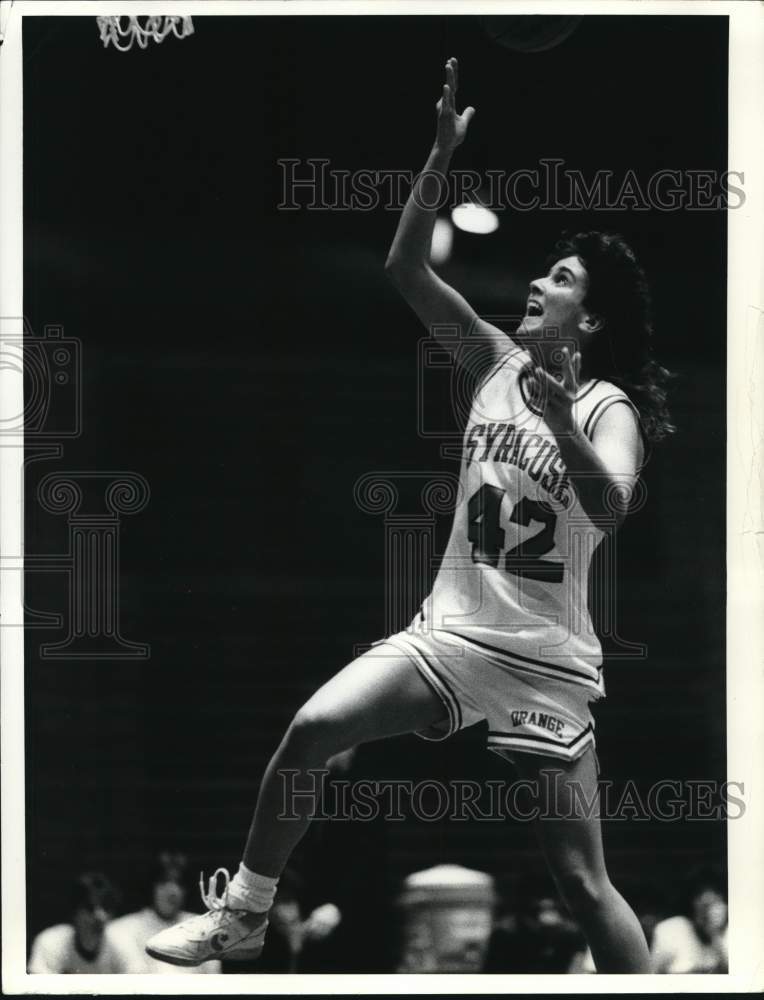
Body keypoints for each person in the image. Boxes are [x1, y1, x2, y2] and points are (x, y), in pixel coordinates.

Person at [146, 57, 674, 974]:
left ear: (588, 320)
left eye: (559, 277)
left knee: (585, 886)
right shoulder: (496, 363)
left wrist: (563, 423)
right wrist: (437, 158)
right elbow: (403, 267)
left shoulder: (606, 407)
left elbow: (613, 505)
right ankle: (245, 913)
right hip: (451, 637)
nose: (538, 282)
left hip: (546, 664)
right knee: (311, 731)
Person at [107, 852, 220, 974]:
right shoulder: (122, 930)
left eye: (179, 883)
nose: (172, 891)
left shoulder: (204, 930)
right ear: (151, 886)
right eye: (164, 882)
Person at [28, 872, 124, 974]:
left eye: (106, 907)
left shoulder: (122, 944)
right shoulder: (51, 942)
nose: (100, 917)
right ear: (75, 913)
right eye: (89, 908)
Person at [651, 868, 728, 973]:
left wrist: (715, 935)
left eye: (715, 900)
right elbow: (653, 974)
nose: (708, 912)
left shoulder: (734, 933)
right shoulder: (669, 931)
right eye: (699, 896)